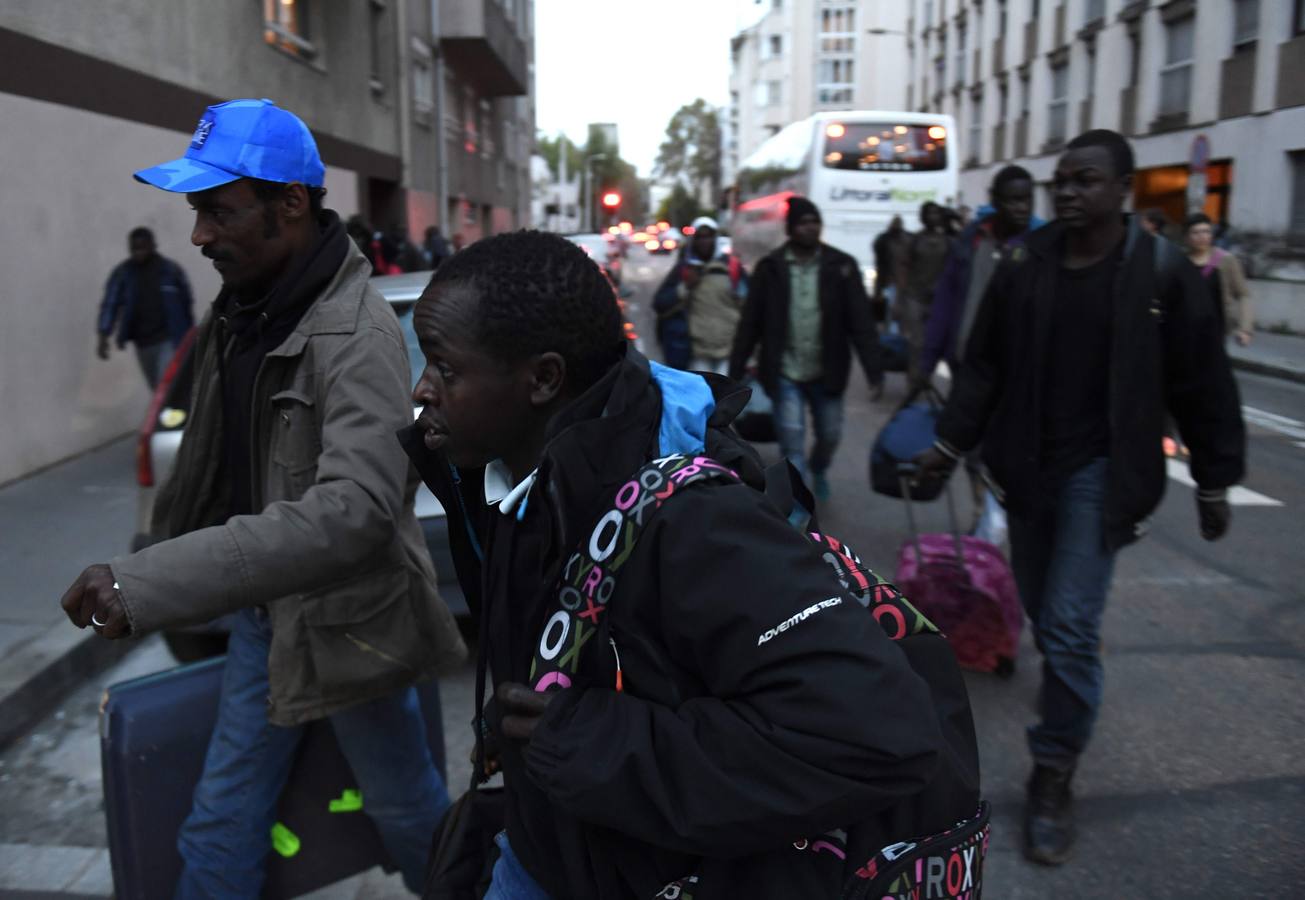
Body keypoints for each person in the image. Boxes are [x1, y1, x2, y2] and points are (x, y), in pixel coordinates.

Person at [402, 229, 952, 900]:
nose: (421, 390)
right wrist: (523, 717)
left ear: (542, 378)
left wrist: (584, 740)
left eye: (443, 368)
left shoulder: (693, 522)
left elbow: (877, 733)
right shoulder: (514, 481)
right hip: (550, 852)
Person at [59, 99, 465, 896]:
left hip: (354, 626)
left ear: (290, 203)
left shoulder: (357, 334)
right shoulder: (241, 314)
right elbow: (214, 464)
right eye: (196, 211)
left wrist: (148, 582)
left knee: (405, 807)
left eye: (218, 210)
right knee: (222, 819)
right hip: (265, 618)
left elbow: (354, 512)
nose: (200, 235)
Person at [916, 129, 1245, 866]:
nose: (1066, 193)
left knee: (1066, 626)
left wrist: (1215, 478)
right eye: (1059, 181)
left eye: (1084, 180)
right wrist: (946, 447)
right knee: (1040, 611)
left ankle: (1052, 771)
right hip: (1026, 465)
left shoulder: (1160, 272)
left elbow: (1203, 383)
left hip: (1103, 472)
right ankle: (1062, 711)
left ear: (1120, 190)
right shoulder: (1024, 264)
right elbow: (983, 367)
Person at [728, 196, 883, 498]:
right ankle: (799, 506)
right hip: (785, 371)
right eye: (803, 223)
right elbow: (750, 324)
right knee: (792, 440)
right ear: (790, 229)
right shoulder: (770, 269)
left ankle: (820, 467)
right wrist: (735, 371)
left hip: (828, 370)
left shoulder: (842, 266)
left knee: (830, 434)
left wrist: (874, 369)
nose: (811, 229)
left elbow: (861, 322)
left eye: (815, 222)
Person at [919, 165, 1040, 543]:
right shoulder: (972, 242)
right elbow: (946, 302)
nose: (1021, 208)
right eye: (1012, 200)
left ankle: (997, 521)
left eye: (1027, 199)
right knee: (971, 446)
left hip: (1023, 372)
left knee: (1010, 447)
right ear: (995, 202)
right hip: (970, 365)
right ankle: (984, 513)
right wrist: (927, 360)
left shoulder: (1043, 244)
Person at [96, 227, 195, 389]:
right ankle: (167, 414)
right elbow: (110, 303)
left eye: (142, 248)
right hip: (143, 344)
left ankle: (173, 413)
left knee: (167, 384)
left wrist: (190, 337)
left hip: (169, 339)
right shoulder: (124, 274)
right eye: (134, 249)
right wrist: (103, 335)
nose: (138, 252)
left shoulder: (170, 271)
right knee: (157, 388)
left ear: (152, 245)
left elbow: (186, 304)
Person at [650, 215, 747, 374]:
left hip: (729, 351)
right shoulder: (684, 270)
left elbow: (750, 307)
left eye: (709, 236)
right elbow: (660, 303)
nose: (704, 242)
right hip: (697, 353)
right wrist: (685, 287)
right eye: (700, 237)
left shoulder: (733, 268)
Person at [896, 201, 952, 380]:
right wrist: (901, 296)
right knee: (916, 343)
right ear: (922, 217)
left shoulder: (948, 241)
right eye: (929, 213)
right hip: (915, 296)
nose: (933, 217)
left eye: (936, 213)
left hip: (937, 298)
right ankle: (913, 381)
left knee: (933, 342)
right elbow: (904, 267)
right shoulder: (914, 240)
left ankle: (926, 378)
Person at [1185, 213, 1253, 347]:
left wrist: (1245, 329)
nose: (1202, 236)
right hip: (1184, 331)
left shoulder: (1226, 260)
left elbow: (1243, 295)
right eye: (1196, 232)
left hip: (1215, 331)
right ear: (1187, 237)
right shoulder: (1181, 261)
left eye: (1206, 231)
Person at [871, 215, 907, 327]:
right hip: (889, 281)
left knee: (888, 314)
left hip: (889, 281)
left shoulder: (883, 239)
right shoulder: (886, 241)